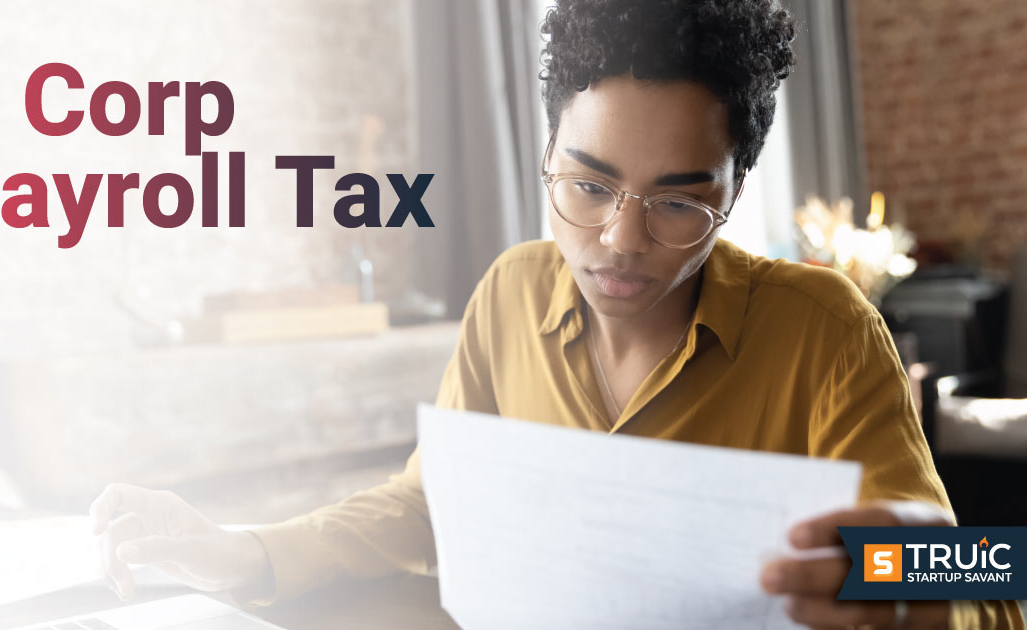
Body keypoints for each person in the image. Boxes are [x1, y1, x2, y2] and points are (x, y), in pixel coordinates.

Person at [89, 1, 1025, 627]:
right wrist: (239, 551)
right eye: (588, 184)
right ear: (546, 153)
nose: (618, 241)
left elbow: (989, 578)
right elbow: (429, 504)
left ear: (734, 197)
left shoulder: (825, 328)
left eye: (677, 203)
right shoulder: (507, 296)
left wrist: (897, 574)